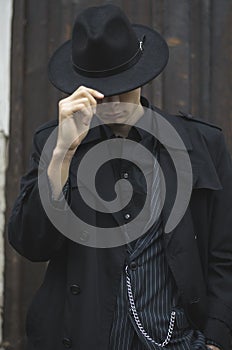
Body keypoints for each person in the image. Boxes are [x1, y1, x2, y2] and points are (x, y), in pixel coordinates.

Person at [8, 4, 232, 350]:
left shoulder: (203, 143)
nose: (112, 101)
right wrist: (62, 154)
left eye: (121, 88)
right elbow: (30, 245)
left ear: (141, 77)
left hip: (180, 341)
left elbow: (224, 251)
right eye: (101, 92)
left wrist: (216, 338)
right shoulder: (54, 143)